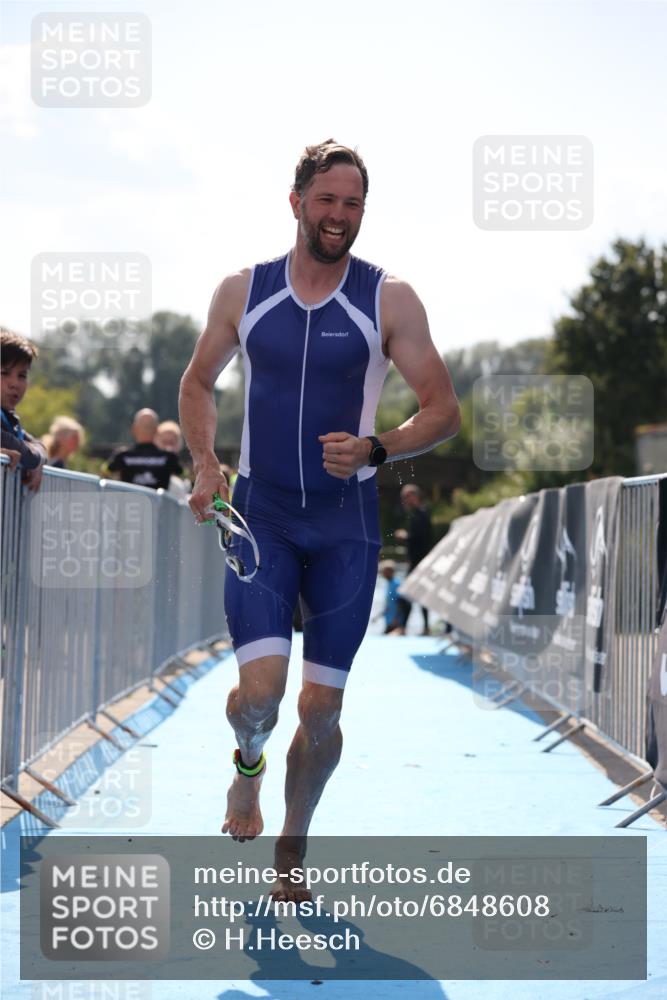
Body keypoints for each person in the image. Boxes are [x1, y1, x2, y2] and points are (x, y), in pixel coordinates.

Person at [179, 139, 460, 899]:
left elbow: (442, 409)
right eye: (327, 199)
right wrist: (206, 465)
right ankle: (247, 767)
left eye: (353, 203)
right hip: (262, 516)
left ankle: (293, 841)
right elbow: (198, 383)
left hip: (344, 527)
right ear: (296, 201)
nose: (339, 215)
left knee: (322, 711)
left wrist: (377, 447)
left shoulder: (388, 298)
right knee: (260, 699)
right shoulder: (244, 290)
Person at [0, 329, 47, 491]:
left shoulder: (9, 418)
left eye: (22, 375)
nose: (15, 384)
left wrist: (37, 460)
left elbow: (38, 445)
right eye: (4, 373)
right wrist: (33, 459)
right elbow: (6, 440)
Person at [106, 408, 183, 490]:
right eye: (144, 426)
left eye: (148, 426)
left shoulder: (121, 456)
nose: (146, 429)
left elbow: (104, 473)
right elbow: (184, 474)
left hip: (131, 498)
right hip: (158, 498)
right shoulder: (169, 457)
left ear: (134, 429)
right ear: (157, 430)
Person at [394, 483, 433, 635]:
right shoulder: (417, 514)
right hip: (417, 563)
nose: (404, 500)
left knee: (406, 594)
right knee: (417, 595)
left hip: (420, 563)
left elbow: (421, 538)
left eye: (407, 496)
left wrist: (406, 536)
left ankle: (404, 628)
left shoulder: (422, 514)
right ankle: (423, 627)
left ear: (415, 496)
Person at [375, 559, 403, 633]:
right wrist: (378, 616)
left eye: (384, 571)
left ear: (391, 571)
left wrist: (396, 619)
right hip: (389, 620)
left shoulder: (396, 584)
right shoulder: (389, 584)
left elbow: (401, 603)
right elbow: (389, 604)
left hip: (395, 622)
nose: (382, 573)